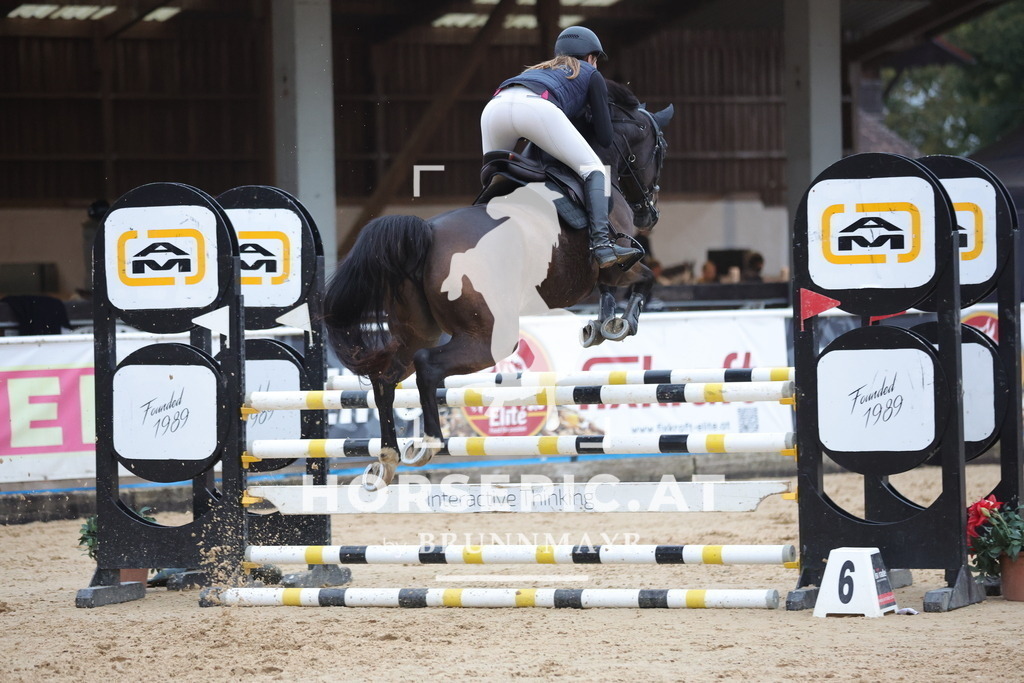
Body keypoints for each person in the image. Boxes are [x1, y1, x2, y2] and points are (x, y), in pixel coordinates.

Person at [481, 26, 642, 269]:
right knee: (595, 170)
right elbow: (606, 137)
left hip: (495, 107)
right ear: (591, 57)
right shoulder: (590, 73)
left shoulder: (539, 70)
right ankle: (602, 245)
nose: (595, 64)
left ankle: (482, 227)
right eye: (596, 59)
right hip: (535, 109)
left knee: (493, 172)